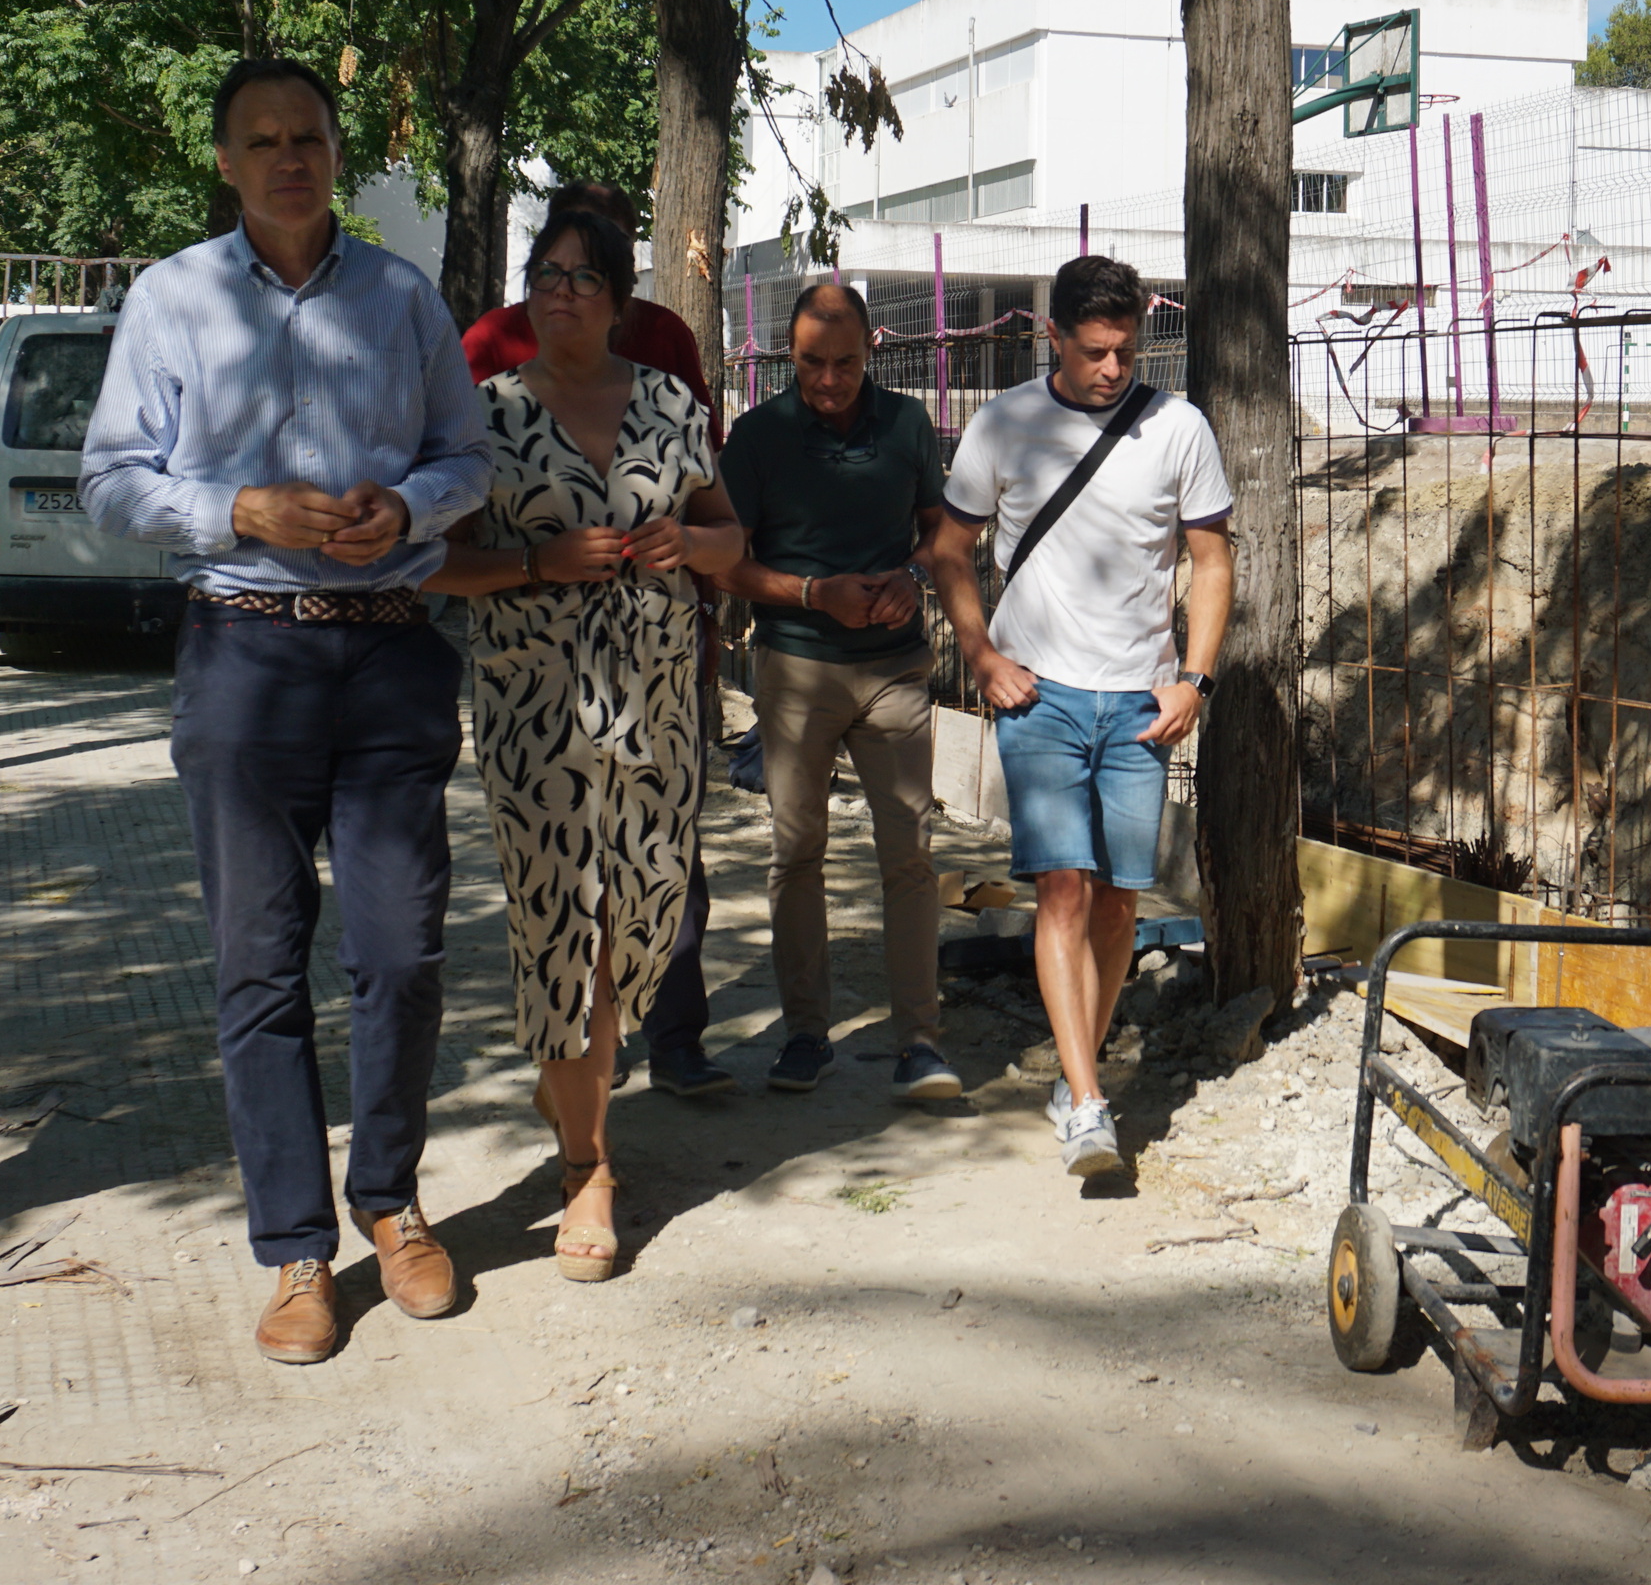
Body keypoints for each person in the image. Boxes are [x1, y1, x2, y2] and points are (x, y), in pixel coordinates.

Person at [83, 55, 490, 1365]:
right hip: (244, 652)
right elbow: (109, 482)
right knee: (259, 963)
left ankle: (391, 1199)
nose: (288, 158)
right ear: (226, 162)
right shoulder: (171, 298)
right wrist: (236, 510)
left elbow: (468, 456)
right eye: (261, 141)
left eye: (307, 136)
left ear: (335, 151)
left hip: (389, 652)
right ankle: (296, 1250)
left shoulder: (402, 297)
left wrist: (409, 507)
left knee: (403, 951)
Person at [430, 208, 745, 1280]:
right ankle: (587, 1167)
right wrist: (539, 563)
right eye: (545, 272)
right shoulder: (486, 415)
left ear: (619, 299)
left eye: (582, 276)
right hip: (538, 716)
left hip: (657, 708)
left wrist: (689, 540)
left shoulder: (671, 403)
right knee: (567, 926)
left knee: (643, 923)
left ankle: (573, 1071)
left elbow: (732, 535)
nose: (559, 290)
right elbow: (439, 563)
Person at [927, 255, 1233, 1179]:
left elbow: (1212, 562)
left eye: (1126, 350)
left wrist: (1195, 680)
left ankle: (1075, 1074)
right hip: (1040, 696)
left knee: (1120, 900)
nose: (1111, 368)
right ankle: (1091, 1103)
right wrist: (982, 658)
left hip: (1141, 701)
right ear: (1053, 335)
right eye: (1094, 350)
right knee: (1063, 887)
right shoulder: (1004, 423)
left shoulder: (1178, 428)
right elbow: (948, 549)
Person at [719, 283, 957, 1099]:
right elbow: (725, 561)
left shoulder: (908, 425)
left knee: (911, 854)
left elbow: (939, 528)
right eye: (812, 363)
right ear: (789, 355)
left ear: (871, 352)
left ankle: (920, 1042)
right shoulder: (758, 436)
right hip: (795, 669)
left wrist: (911, 577)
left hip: (895, 671)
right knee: (797, 852)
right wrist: (813, 595)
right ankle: (805, 1033)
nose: (828, 380)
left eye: (845, 363)